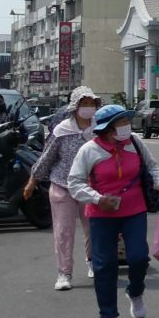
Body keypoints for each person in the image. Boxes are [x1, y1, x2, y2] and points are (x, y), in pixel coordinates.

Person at [67, 104, 159, 318]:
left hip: (134, 210)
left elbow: (153, 167)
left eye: (126, 121)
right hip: (101, 214)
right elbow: (74, 183)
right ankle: (108, 316)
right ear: (107, 128)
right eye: (120, 123)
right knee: (105, 266)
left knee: (138, 258)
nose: (126, 127)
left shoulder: (134, 142)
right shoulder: (89, 151)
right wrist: (97, 198)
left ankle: (135, 292)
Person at [24, 86, 99, 290]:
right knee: (64, 232)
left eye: (91, 104)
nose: (88, 108)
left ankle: (93, 261)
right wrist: (33, 180)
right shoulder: (62, 130)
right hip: (62, 185)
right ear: (75, 107)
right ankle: (64, 273)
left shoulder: (100, 129)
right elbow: (47, 157)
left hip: (91, 186)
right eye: (84, 104)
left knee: (94, 228)